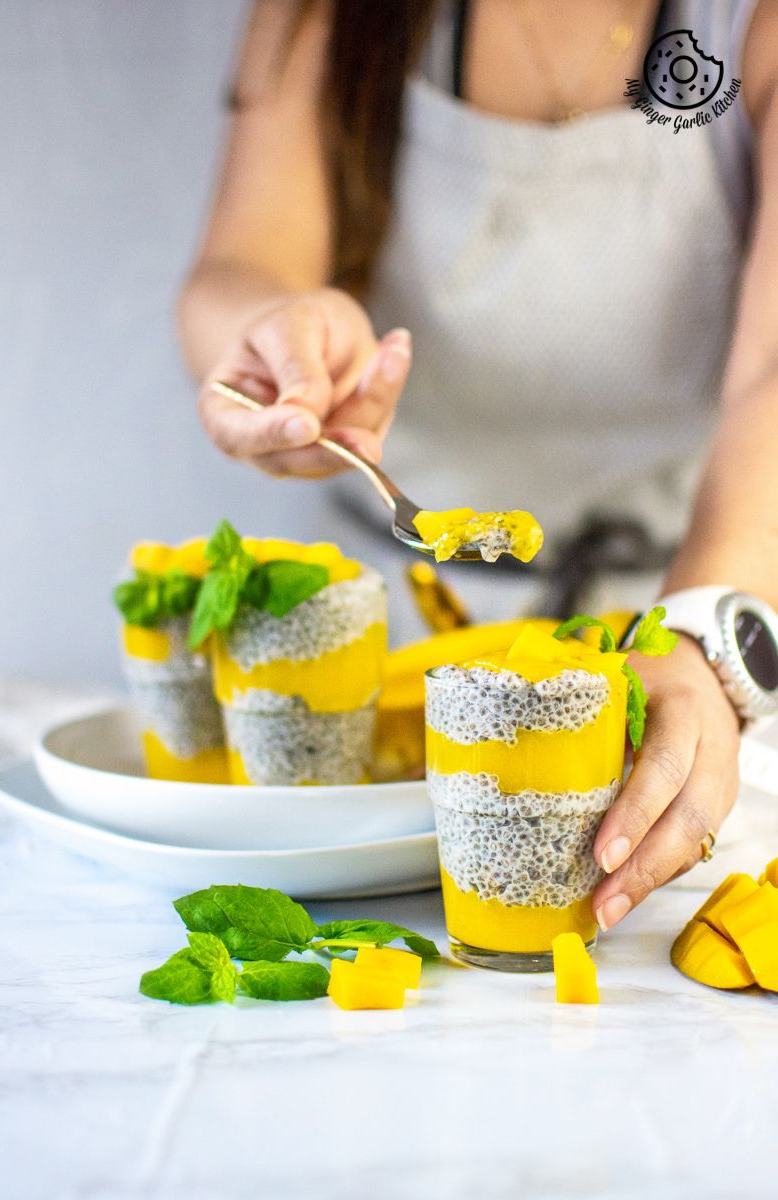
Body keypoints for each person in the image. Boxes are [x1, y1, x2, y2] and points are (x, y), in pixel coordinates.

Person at [176, 0, 778, 933]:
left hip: (676, 636)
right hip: (384, 642)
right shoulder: (323, 19)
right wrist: (272, 337)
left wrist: (703, 636)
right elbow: (237, 267)